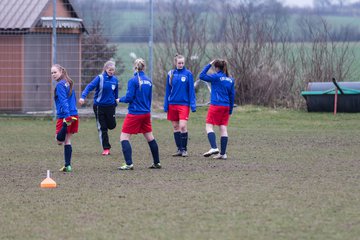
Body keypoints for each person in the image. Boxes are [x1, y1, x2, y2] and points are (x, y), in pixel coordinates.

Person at [117, 58, 161, 170]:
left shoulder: (133, 80)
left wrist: (119, 100)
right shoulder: (149, 80)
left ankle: (128, 164)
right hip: (146, 113)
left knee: (124, 137)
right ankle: (157, 162)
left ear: (134, 67)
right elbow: (149, 98)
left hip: (135, 113)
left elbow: (129, 98)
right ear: (144, 67)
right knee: (150, 137)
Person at [79, 60, 119, 156]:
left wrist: (116, 102)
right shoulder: (100, 78)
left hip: (110, 106)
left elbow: (115, 93)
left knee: (112, 125)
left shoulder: (115, 80)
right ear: (105, 69)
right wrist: (82, 97)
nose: (111, 72)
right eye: (110, 70)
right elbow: (89, 87)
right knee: (102, 128)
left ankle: (106, 143)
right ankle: (106, 148)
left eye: (113, 70)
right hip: (99, 107)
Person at [199, 59, 235, 159]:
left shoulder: (216, 77)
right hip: (226, 106)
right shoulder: (230, 79)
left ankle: (214, 147)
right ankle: (223, 154)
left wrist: (209, 64)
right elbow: (232, 96)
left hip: (216, 105)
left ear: (216, 67)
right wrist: (230, 110)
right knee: (223, 128)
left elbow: (201, 76)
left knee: (209, 126)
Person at [163, 54, 196, 157]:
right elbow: (167, 90)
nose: (181, 64)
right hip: (172, 104)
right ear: (175, 63)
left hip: (184, 104)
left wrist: (193, 104)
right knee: (175, 126)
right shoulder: (171, 74)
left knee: (182, 126)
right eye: (179, 63)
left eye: (182, 63)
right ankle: (179, 149)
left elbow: (191, 90)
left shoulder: (188, 74)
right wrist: (165, 105)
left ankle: (185, 149)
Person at [51, 64, 79, 172]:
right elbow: (73, 99)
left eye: (55, 72)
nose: (53, 74)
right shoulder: (68, 82)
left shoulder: (60, 85)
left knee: (59, 140)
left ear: (61, 72)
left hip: (65, 115)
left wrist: (67, 117)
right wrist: (72, 113)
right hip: (74, 114)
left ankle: (65, 125)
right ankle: (67, 165)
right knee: (67, 140)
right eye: (52, 73)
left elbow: (63, 101)